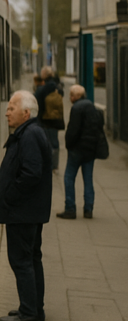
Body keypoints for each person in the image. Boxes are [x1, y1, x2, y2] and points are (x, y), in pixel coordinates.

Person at [0, 90, 51, 321]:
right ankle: (34, 307)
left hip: (22, 211)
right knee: (31, 258)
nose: (6, 112)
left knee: (21, 260)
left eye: (11, 108)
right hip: (29, 210)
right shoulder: (31, 132)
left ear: (26, 113)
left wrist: (11, 195)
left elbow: (31, 173)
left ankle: (28, 313)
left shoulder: (28, 135)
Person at [57, 85, 102, 220]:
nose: (70, 97)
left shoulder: (76, 108)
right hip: (90, 150)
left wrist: (68, 144)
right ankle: (88, 209)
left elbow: (73, 131)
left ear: (76, 97)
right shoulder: (92, 107)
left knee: (69, 177)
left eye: (71, 95)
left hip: (77, 150)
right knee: (88, 179)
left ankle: (70, 208)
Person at [34, 66, 64, 172]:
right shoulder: (57, 86)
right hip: (55, 118)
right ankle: (54, 164)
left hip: (45, 119)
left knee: (45, 142)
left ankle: (48, 164)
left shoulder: (43, 88)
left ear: (45, 75)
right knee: (54, 141)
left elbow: (37, 102)